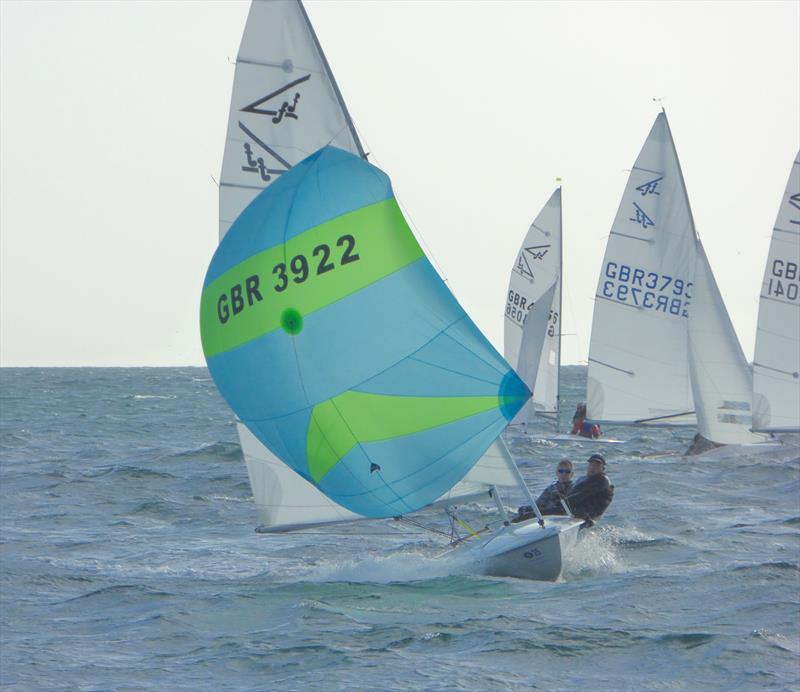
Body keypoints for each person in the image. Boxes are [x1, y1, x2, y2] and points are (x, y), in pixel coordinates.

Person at [566, 453, 614, 527]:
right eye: (591, 465)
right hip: (574, 513)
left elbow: (583, 495)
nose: (593, 468)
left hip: (586, 519)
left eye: (597, 466)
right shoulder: (583, 479)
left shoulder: (602, 481)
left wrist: (565, 501)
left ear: (603, 469)